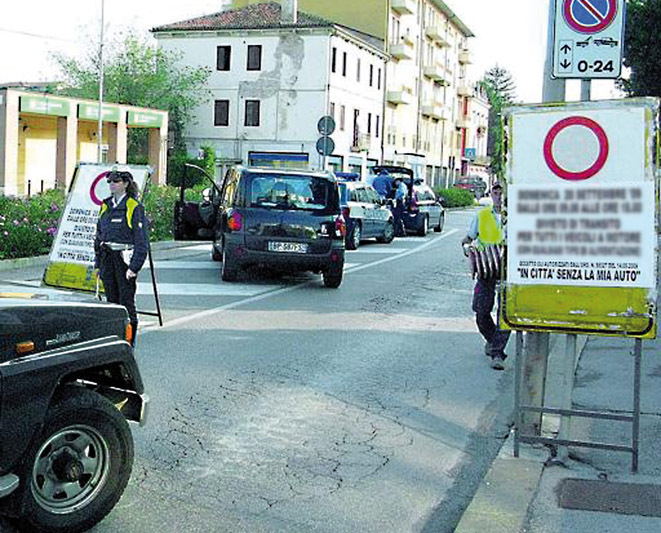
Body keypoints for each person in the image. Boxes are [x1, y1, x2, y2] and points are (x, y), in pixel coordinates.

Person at [94, 170, 149, 346]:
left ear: (125, 184)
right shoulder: (106, 205)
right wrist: (97, 265)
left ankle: (129, 342)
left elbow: (142, 241)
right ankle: (115, 340)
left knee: (126, 302)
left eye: (116, 181)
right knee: (112, 302)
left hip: (124, 259)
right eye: (109, 181)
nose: (111, 184)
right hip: (107, 258)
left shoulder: (133, 206)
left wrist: (134, 267)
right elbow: (99, 236)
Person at [461, 181, 510, 370]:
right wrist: (467, 249)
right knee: (481, 311)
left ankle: (497, 353)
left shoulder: (516, 216)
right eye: (496, 193)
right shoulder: (482, 215)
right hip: (486, 269)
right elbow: (468, 238)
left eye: (502, 193)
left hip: (508, 271)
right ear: (491, 195)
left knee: (505, 313)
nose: (499, 196)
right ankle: (492, 339)